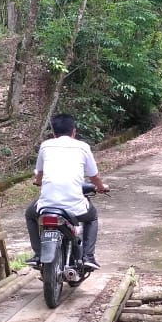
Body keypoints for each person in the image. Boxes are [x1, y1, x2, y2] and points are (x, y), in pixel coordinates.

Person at [25, 113, 108, 270]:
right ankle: (88, 256)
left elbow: (40, 173)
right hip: (75, 207)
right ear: (74, 132)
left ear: (54, 133)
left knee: (30, 215)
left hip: (46, 206)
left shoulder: (46, 146)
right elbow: (94, 176)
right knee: (92, 217)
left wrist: (38, 182)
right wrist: (101, 187)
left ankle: (38, 254)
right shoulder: (83, 147)